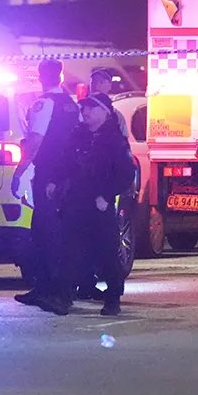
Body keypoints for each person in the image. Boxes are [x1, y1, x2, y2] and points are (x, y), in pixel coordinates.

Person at [50, 93, 135, 316]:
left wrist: (106, 196)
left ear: (105, 113)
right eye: (84, 108)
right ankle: (63, 297)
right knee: (69, 250)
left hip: (99, 206)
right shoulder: (77, 136)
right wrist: (54, 182)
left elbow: (126, 173)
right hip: (75, 202)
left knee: (107, 252)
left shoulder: (115, 141)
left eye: (91, 108)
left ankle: (113, 299)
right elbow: (63, 163)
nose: (85, 112)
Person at [11, 58, 81, 314]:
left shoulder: (44, 103)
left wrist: (19, 171)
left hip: (48, 174)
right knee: (50, 232)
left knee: (46, 233)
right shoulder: (71, 104)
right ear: (60, 76)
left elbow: (35, 140)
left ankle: (55, 293)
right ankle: (44, 289)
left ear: (42, 77)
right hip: (67, 176)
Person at [76, 68, 135, 301]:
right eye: (94, 81)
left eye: (102, 81)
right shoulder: (83, 126)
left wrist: (108, 194)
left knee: (107, 246)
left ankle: (113, 294)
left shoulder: (113, 128)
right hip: (84, 198)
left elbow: (124, 167)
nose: (96, 84)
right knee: (82, 245)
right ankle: (85, 285)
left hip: (104, 198)